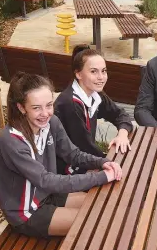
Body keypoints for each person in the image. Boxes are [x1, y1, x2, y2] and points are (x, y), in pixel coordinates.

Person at [0, 72, 122, 238]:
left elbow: (73, 154)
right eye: (36, 108)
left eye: (49, 105)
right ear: (21, 107)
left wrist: (102, 162)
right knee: (95, 224)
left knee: (103, 207)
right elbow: (46, 180)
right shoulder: (11, 141)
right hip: (27, 212)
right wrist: (102, 177)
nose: (45, 113)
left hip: (48, 194)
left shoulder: (50, 123)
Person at [54, 44, 133, 175]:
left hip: (85, 160)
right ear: (78, 74)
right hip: (67, 170)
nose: (101, 77)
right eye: (93, 71)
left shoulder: (94, 93)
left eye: (104, 71)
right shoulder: (70, 104)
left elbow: (120, 114)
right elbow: (85, 148)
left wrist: (122, 135)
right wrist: (110, 162)